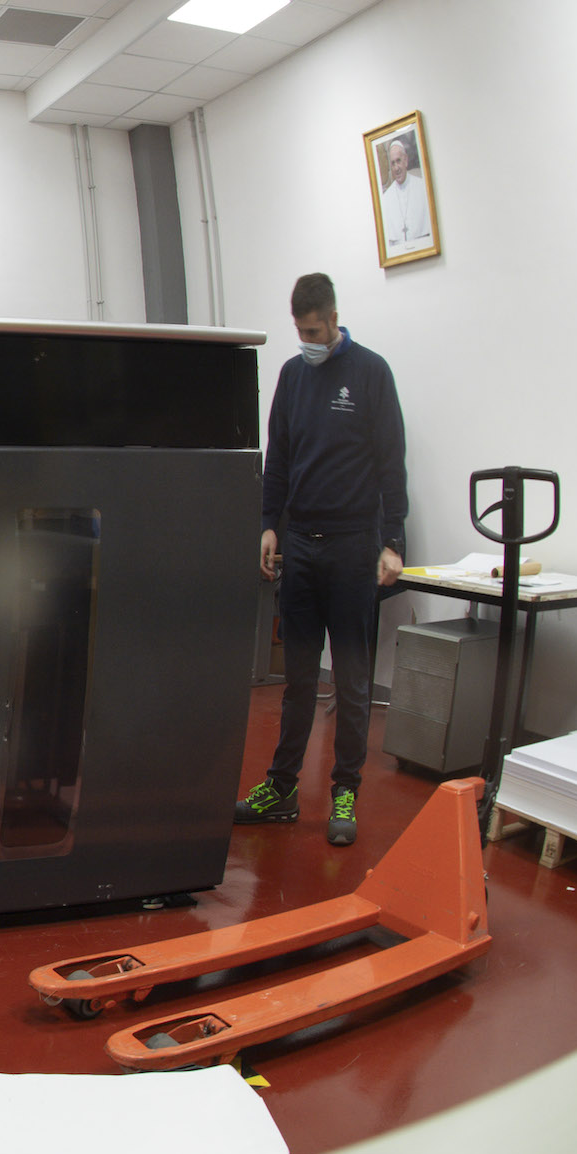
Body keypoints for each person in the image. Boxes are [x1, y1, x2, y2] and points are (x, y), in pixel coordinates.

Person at [236, 272, 407, 846]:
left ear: (333, 319)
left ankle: (345, 791)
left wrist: (394, 541)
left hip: (355, 546)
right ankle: (282, 788)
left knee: (352, 681)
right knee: (300, 679)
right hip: (303, 548)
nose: (307, 341)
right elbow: (279, 456)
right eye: (300, 331)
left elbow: (392, 462)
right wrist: (269, 524)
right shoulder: (292, 375)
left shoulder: (371, 373)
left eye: (314, 331)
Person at [377, 137, 433, 256]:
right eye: (393, 163)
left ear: (406, 160)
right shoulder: (386, 198)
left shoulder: (422, 187)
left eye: (398, 161)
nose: (396, 168)